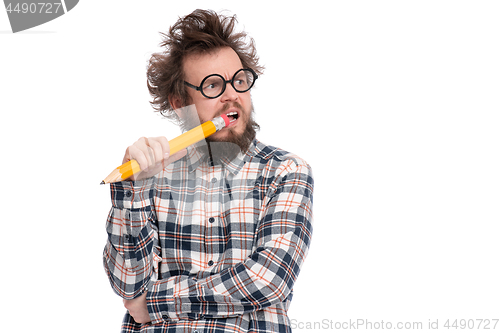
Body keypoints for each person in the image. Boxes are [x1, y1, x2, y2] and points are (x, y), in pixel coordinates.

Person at [103, 9, 314, 333]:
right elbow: (128, 287)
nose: (232, 95)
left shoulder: (285, 171)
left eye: (239, 80)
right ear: (178, 103)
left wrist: (157, 303)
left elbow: (268, 279)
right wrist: (133, 191)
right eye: (213, 86)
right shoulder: (153, 176)